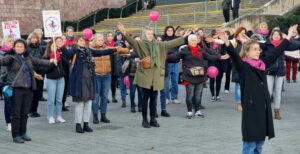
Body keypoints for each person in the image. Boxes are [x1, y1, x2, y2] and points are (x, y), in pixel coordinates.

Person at [217, 24, 295, 154]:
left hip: (263, 109)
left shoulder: (263, 64)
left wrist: (288, 38)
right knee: (250, 145)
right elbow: (234, 56)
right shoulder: (243, 66)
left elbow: (276, 52)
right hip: (251, 109)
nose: (258, 51)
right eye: (254, 49)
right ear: (247, 52)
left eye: (259, 49)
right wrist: (227, 43)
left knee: (259, 145)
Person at [117, 22, 191, 128]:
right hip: (145, 75)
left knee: (153, 99)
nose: (150, 35)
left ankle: (153, 119)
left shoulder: (160, 45)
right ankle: (144, 120)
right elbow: (131, 41)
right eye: (148, 34)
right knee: (145, 98)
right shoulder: (141, 44)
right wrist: (123, 32)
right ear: (144, 35)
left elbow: (172, 43)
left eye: (152, 33)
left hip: (156, 76)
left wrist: (183, 37)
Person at [65, 35, 127, 133]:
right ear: (77, 42)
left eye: (84, 41)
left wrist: (114, 49)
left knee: (88, 104)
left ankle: (86, 124)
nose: (82, 42)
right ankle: (78, 125)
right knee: (80, 104)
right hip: (79, 81)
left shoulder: (89, 51)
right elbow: (67, 54)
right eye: (80, 40)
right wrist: (60, 47)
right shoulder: (75, 51)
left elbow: (101, 52)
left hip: (90, 80)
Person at [0, 39, 57, 143]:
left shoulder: (28, 57)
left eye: (21, 46)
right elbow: (1, 60)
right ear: (14, 47)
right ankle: (16, 135)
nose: (19, 48)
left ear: (25, 48)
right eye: (17, 46)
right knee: (16, 113)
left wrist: (51, 61)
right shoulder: (10, 57)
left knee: (25, 113)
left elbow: (39, 61)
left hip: (29, 89)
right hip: (17, 89)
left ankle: (23, 133)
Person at [168, 34, 229, 118]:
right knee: (190, 95)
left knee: (198, 95)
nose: (194, 42)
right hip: (189, 76)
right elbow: (174, 56)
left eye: (195, 40)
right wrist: (164, 57)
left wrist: (220, 57)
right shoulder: (184, 50)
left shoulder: (200, 50)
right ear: (188, 41)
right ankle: (189, 111)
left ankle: (197, 111)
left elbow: (209, 56)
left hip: (200, 76)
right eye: (192, 40)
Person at [261, 28, 300, 120]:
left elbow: (296, 45)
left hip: (280, 71)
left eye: (278, 35)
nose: (276, 36)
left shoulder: (284, 44)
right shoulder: (267, 44)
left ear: (281, 37)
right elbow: (254, 44)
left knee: (278, 92)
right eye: (275, 34)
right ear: (271, 36)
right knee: (268, 92)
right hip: (269, 71)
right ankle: (265, 112)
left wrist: (292, 36)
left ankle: (277, 111)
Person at [91, 34, 113, 124]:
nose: (101, 41)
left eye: (102, 40)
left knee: (104, 97)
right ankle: (95, 116)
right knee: (95, 97)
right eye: (99, 40)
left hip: (107, 75)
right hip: (96, 75)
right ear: (95, 40)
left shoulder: (107, 49)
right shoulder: (92, 50)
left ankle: (103, 115)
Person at [43, 39, 66, 124]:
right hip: (51, 80)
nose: (55, 47)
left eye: (56, 46)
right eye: (53, 46)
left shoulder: (59, 55)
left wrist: (61, 57)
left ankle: (59, 116)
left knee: (59, 100)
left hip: (61, 79)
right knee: (51, 100)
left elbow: (66, 63)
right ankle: (50, 116)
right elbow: (45, 70)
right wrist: (52, 63)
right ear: (50, 47)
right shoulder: (46, 57)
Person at [27, 32, 46, 118]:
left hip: (40, 71)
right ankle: (30, 110)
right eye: (32, 38)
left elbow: (43, 58)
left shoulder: (41, 48)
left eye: (35, 38)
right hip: (31, 71)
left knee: (38, 92)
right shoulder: (27, 49)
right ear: (30, 39)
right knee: (32, 92)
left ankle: (35, 110)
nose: (34, 40)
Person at [162, 25, 181, 105]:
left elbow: (181, 46)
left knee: (175, 82)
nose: (170, 32)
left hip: (176, 63)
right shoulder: (163, 39)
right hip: (167, 63)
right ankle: (166, 97)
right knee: (166, 82)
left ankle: (174, 97)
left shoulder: (176, 39)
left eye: (171, 30)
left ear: (173, 31)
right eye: (168, 30)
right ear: (166, 31)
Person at [0, 35, 14, 131]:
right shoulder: (1, 53)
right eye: (9, 41)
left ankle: (13, 121)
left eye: (12, 41)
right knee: (8, 102)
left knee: (14, 102)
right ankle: (8, 122)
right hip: (5, 82)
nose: (11, 43)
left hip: (14, 81)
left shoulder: (15, 53)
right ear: (4, 42)